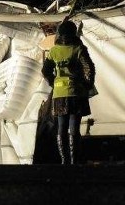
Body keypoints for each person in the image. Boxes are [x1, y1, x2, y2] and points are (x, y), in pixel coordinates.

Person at [41, 19, 96, 164]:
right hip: (76, 93)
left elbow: (45, 70)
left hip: (59, 94)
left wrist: (54, 82)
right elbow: (89, 69)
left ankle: (64, 161)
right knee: (74, 128)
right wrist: (87, 85)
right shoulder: (79, 49)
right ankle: (74, 161)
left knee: (61, 127)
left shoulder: (54, 51)